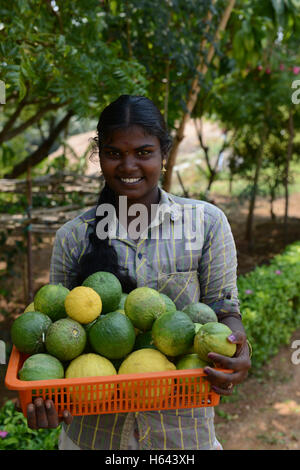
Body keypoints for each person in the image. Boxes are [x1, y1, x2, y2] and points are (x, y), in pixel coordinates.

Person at [26, 95, 251, 450]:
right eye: (114, 153)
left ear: (163, 154)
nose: (128, 165)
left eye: (144, 152)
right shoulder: (73, 236)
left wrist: (238, 349)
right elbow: (57, 329)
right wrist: (48, 397)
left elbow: (224, 309)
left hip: (180, 434)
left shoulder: (206, 223)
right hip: (94, 435)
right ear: (99, 156)